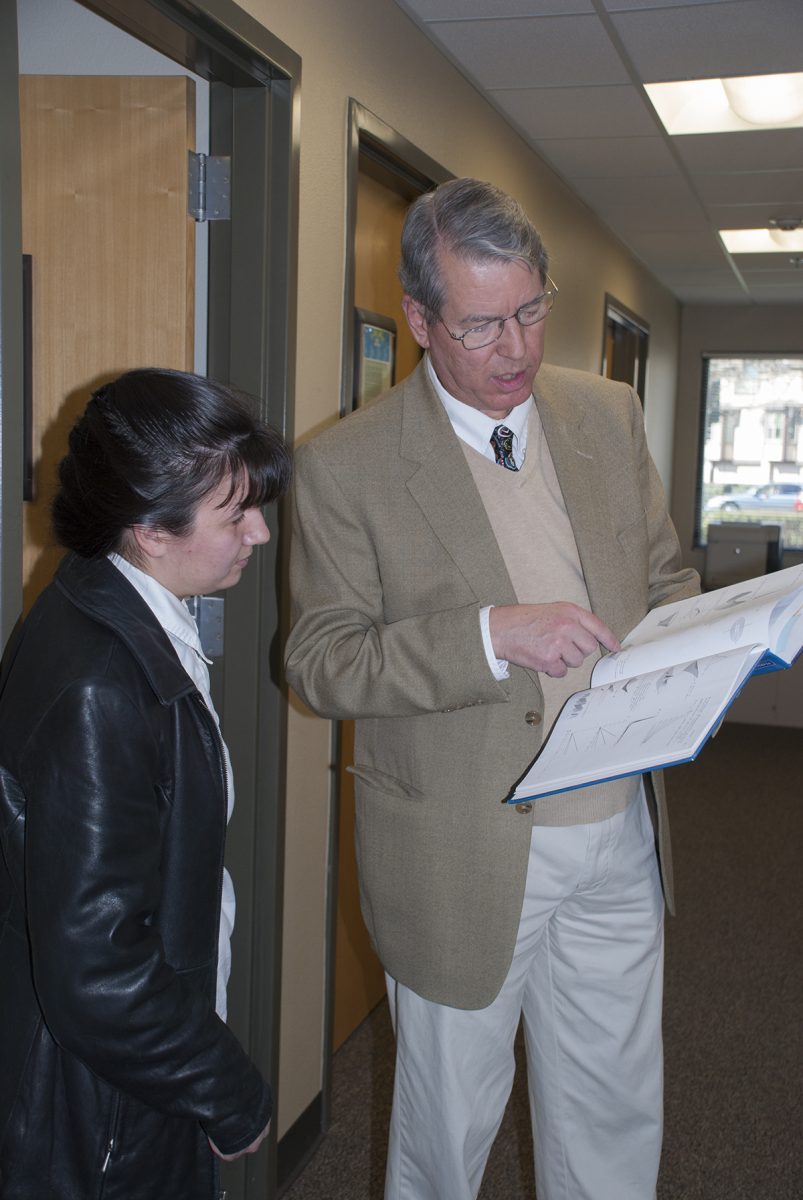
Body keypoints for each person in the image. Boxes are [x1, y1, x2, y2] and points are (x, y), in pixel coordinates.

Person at [285, 178, 700, 1200]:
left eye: (529, 309)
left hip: (616, 831)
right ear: (419, 321)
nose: (514, 349)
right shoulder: (345, 466)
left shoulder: (604, 413)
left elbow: (664, 579)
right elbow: (322, 660)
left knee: (611, 1110)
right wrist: (489, 636)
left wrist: (698, 648)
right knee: (445, 1132)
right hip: (460, 852)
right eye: (480, 324)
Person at [0, 368, 291, 1199]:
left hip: (121, 1077)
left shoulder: (106, 608)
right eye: (235, 515)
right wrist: (225, 1091)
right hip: (104, 1112)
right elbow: (97, 967)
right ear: (147, 531)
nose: (259, 534)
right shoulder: (99, 682)